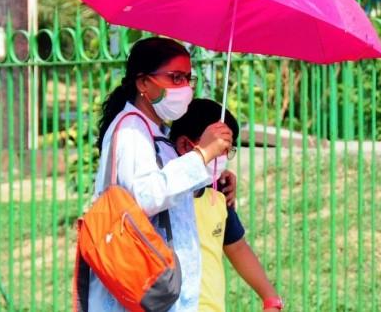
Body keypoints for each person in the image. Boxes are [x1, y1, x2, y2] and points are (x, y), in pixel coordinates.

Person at [89, 37, 234, 311]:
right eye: (175, 78)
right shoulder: (131, 131)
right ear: (143, 83)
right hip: (140, 285)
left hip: (163, 288)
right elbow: (147, 196)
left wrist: (213, 175)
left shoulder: (154, 130)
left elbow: (172, 183)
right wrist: (201, 155)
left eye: (188, 79)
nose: (185, 88)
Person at [170, 99, 284, 312]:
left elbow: (237, 246)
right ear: (186, 145)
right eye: (219, 149)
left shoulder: (218, 194)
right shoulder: (162, 197)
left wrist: (270, 298)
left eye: (228, 151)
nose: (223, 159)